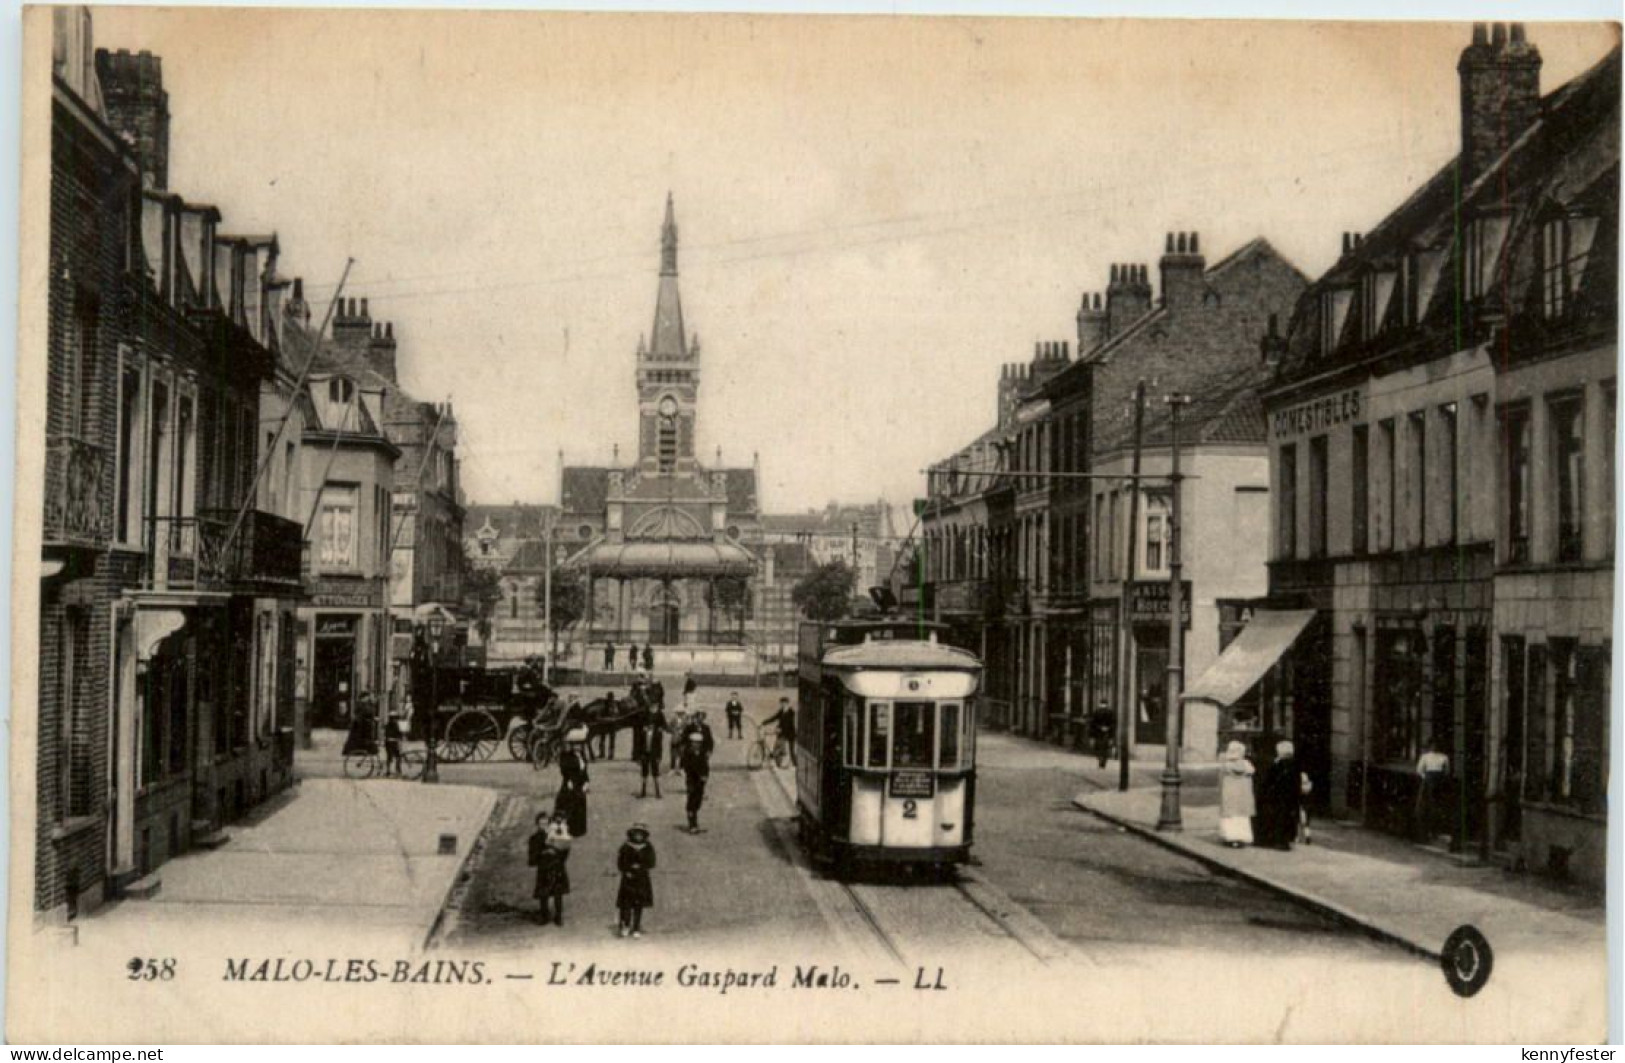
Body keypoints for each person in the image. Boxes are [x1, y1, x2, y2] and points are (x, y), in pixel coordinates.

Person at [1256, 739, 1301, 851]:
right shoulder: (1295, 765)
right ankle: (1287, 840)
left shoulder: (1278, 765)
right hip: (1291, 797)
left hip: (1279, 796)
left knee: (1278, 818)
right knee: (1289, 819)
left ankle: (1278, 840)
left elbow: (1270, 780)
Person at [528, 812, 570, 926]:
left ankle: (559, 916)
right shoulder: (534, 838)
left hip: (557, 867)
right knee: (543, 894)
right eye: (541, 823)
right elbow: (532, 858)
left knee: (558, 893)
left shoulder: (557, 835)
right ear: (537, 824)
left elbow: (565, 850)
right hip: (544, 868)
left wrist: (559, 858)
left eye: (546, 823)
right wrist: (543, 853)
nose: (544, 826)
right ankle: (544, 915)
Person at [616, 823, 657, 938]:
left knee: (638, 904)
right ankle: (625, 925)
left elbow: (652, 862)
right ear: (632, 834)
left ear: (644, 835)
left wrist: (641, 867)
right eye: (636, 833)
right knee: (626, 904)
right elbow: (620, 863)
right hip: (628, 879)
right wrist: (627, 870)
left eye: (641, 834)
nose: (638, 836)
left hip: (642, 879)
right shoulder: (626, 846)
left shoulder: (648, 847)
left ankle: (636, 927)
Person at [1218, 740, 1256, 848]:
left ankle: (1230, 838)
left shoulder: (1225, 766)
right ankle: (1242, 838)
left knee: (1230, 818)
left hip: (1230, 797)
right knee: (1242, 818)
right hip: (1243, 799)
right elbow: (1252, 772)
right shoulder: (1247, 765)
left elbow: (1220, 782)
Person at [554, 727, 591, 838]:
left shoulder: (582, 756)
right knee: (568, 805)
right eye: (575, 745)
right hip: (570, 783)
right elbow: (565, 770)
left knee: (579, 806)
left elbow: (584, 770)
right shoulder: (566, 756)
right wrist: (569, 780)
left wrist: (587, 782)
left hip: (580, 784)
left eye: (579, 745)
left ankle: (577, 829)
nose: (577, 747)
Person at [1415, 739, 1451, 843]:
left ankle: (1436, 830)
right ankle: (1426, 831)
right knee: (1427, 804)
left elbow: (1447, 771)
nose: (1434, 747)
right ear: (1430, 746)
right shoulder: (1425, 757)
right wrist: (1425, 778)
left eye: (1436, 745)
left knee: (1438, 805)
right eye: (1432, 745)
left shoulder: (1444, 757)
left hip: (1439, 781)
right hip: (1428, 781)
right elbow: (1419, 770)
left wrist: (1442, 778)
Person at [679, 729, 711, 833]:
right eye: (694, 742)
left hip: (701, 781)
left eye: (698, 743)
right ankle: (692, 824)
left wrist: (705, 776)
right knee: (691, 801)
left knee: (698, 801)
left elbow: (706, 766)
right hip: (692, 780)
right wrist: (699, 775)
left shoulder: (702, 753)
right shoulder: (688, 753)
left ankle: (695, 823)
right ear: (691, 742)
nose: (696, 744)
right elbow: (688, 767)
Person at [635, 702, 668, 799]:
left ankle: (657, 792)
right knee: (644, 772)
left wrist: (659, 756)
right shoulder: (643, 734)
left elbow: (659, 746)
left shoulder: (657, 734)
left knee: (655, 772)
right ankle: (643, 791)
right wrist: (639, 756)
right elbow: (639, 744)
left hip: (654, 753)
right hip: (645, 753)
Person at [761, 697, 796, 766]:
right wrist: (764, 722)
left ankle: (795, 764)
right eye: (782, 703)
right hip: (782, 732)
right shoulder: (781, 711)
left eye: (784, 703)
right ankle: (778, 761)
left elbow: (789, 723)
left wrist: (780, 729)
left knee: (791, 751)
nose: (783, 705)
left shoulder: (791, 712)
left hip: (789, 733)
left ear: (787, 703)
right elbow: (774, 717)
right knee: (778, 745)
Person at [1087, 700, 1116, 769]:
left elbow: (1093, 724)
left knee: (1099, 747)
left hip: (1098, 733)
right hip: (1107, 733)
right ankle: (1103, 761)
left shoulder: (1096, 712)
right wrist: (1108, 729)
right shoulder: (1110, 712)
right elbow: (1113, 723)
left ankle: (1101, 759)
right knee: (1105, 747)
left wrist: (1097, 730)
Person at [594, 691, 621, 761]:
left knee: (606, 739)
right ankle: (607, 754)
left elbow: (616, 714)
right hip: (607, 724)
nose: (611, 699)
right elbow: (616, 714)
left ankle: (606, 754)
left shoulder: (611, 704)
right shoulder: (611, 704)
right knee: (608, 739)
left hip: (609, 724)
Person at [384, 706, 409, 776]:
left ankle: (391, 770)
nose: (395, 719)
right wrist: (401, 736)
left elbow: (396, 733)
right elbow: (397, 734)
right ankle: (394, 770)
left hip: (390, 743)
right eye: (394, 718)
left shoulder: (390, 725)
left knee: (392, 757)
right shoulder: (393, 725)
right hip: (392, 743)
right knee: (395, 756)